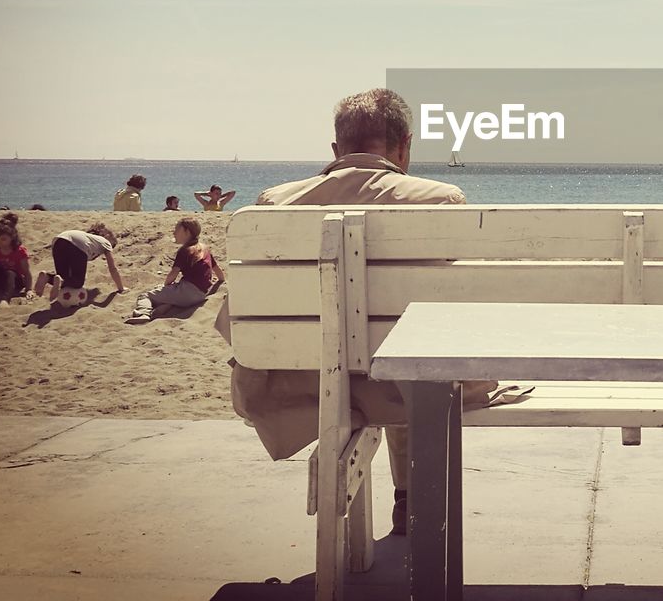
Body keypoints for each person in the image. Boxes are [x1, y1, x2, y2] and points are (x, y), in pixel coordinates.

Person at [216, 87, 495, 537]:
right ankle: (410, 499)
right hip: (408, 389)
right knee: (410, 357)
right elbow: (462, 306)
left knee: (367, 360)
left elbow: (238, 324)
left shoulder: (274, 204)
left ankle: (400, 500)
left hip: (309, 384)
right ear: (405, 146)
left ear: (336, 149)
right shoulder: (438, 201)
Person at [126, 217, 223, 324]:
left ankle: (143, 313)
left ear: (187, 232)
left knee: (146, 296)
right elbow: (218, 271)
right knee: (167, 291)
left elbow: (173, 274)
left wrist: (166, 285)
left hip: (187, 292)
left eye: (177, 229)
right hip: (201, 295)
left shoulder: (185, 250)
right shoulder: (204, 248)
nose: (174, 232)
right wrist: (220, 281)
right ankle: (166, 306)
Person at [35, 222, 127, 300]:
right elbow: (113, 268)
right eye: (113, 244)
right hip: (79, 246)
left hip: (59, 240)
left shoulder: (89, 238)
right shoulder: (105, 242)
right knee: (78, 282)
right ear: (107, 236)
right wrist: (121, 288)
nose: (112, 247)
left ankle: (47, 276)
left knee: (63, 277)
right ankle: (60, 281)